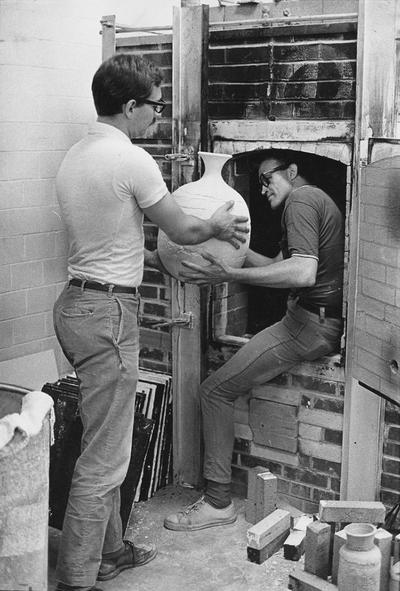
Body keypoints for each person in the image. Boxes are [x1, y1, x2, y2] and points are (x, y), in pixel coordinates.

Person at [52, 52, 249, 591]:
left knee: (101, 437)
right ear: (130, 105)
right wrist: (214, 225)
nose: (158, 118)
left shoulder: (76, 154)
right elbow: (182, 232)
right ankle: (76, 577)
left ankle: (111, 550)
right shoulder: (131, 159)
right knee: (105, 457)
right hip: (109, 313)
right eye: (154, 109)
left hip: (75, 305)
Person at [164, 150, 344, 531]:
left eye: (268, 179)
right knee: (216, 389)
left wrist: (228, 274)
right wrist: (233, 253)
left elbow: (301, 273)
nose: (262, 189)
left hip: (307, 325)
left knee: (213, 391)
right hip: (311, 322)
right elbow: (280, 261)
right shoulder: (314, 201)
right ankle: (217, 501)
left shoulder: (301, 199)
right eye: (259, 182)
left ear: (292, 172)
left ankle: (217, 503)